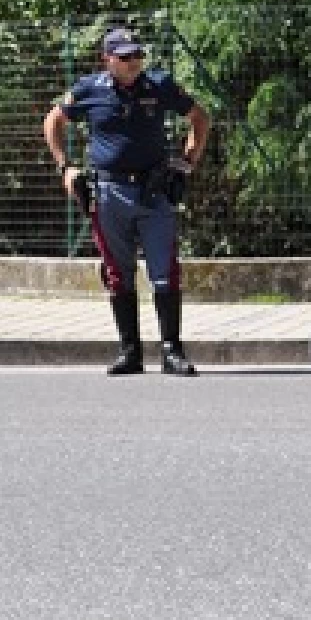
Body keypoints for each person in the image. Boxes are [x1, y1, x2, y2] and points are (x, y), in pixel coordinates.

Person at [43, 25, 210, 376]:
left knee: (165, 272)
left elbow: (199, 117)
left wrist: (186, 162)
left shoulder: (159, 86)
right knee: (119, 274)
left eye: (137, 55)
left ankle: (171, 351)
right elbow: (53, 120)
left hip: (154, 193)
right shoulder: (89, 90)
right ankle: (129, 351)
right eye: (125, 57)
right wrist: (65, 168)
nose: (133, 62)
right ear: (108, 60)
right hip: (108, 194)